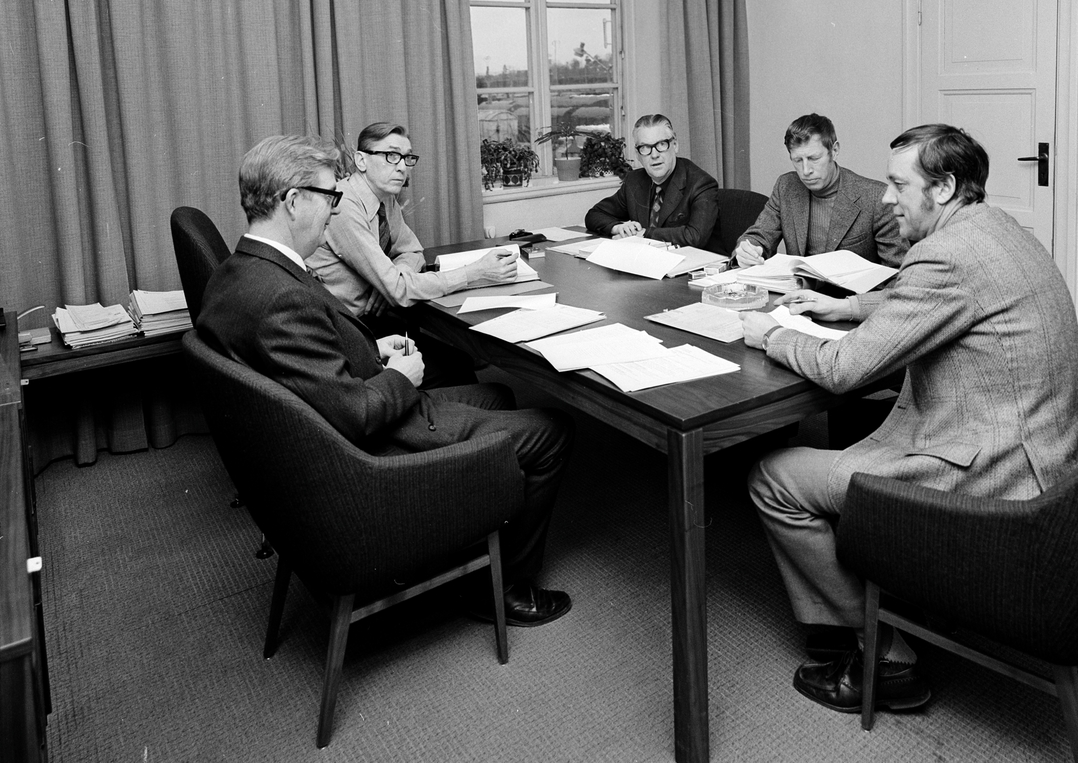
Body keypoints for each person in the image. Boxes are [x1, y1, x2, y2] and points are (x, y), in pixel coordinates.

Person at [739, 124, 1078, 713]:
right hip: (1059, 456)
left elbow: (843, 370)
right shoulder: (994, 228)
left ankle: (885, 654)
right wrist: (848, 306)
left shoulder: (943, 255)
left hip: (1000, 477)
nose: (886, 198)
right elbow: (927, 294)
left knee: (772, 477)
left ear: (944, 187)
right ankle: (882, 594)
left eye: (898, 185)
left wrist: (771, 335)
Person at [198, 133, 575, 626]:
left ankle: (477, 537)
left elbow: (302, 364)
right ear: (292, 202)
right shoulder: (281, 298)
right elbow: (357, 415)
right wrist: (400, 375)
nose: (335, 210)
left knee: (498, 394)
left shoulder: (238, 272)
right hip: (370, 458)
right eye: (329, 197)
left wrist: (371, 350)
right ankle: (506, 591)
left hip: (328, 428)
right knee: (552, 431)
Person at [308, 121, 515, 386]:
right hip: (349, 332)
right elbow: (398, 291)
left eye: (407, 158)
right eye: (391, 155)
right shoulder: (345, 205)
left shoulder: (384, 197)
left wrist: (395, 275)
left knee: (459, 360)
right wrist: (475, 272)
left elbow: (413, 251)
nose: (402, 167)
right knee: (457, 368)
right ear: (361, 160)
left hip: (377, 320)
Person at [734, 113, 905, 320]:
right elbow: (760, 234)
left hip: (849, 313)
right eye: (798, 160)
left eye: (814, 159)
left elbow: (899, 279)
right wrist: (748, 249)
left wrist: (848, 308)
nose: (806, 171)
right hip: (798, 307)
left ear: (835, 150)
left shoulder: (876, 198)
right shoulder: (786, 186)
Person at [584, 114, 718, 247]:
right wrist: (619, 228)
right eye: (645, 148)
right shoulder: (634, 181)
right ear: (637, 154)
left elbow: (695, 236)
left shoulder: (701, 183)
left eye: (661, 144)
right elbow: (594, 215)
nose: (654, 155)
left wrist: (643, 234)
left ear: (675, 145)